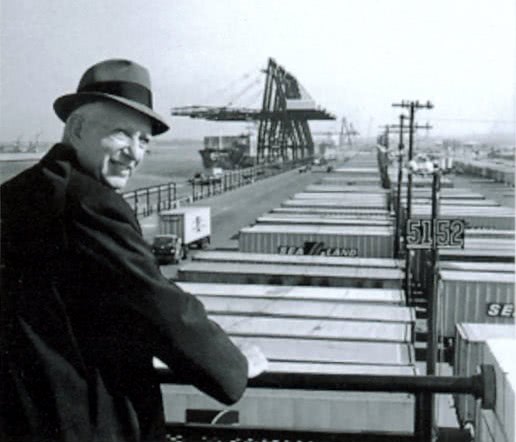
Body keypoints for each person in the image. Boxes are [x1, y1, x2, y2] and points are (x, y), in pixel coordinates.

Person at [0, 59, 268, 442]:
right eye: (122, 134)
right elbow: (157, 301)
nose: (135, 153)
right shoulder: (89, 202)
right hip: (85, 422)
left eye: (144, 141)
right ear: (77, 128)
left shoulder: (15, 193)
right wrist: (234, 366)